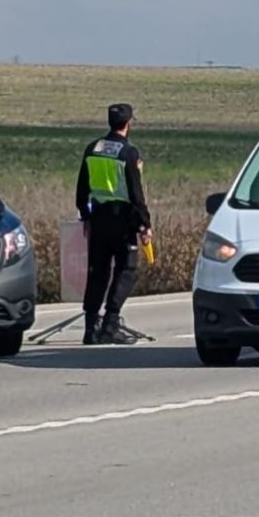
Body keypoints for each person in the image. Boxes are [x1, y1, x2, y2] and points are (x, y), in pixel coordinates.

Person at [76, 102, 153, 345]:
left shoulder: (93, 148)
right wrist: (145, 224)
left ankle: (90, 328)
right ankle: (110, 323)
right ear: (128, 123)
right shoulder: (128, 152)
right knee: (126, 271)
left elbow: (82, 188)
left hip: (98, 219)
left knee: (97, 272)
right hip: (123, 220)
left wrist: (85, 217)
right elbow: (136, 192)